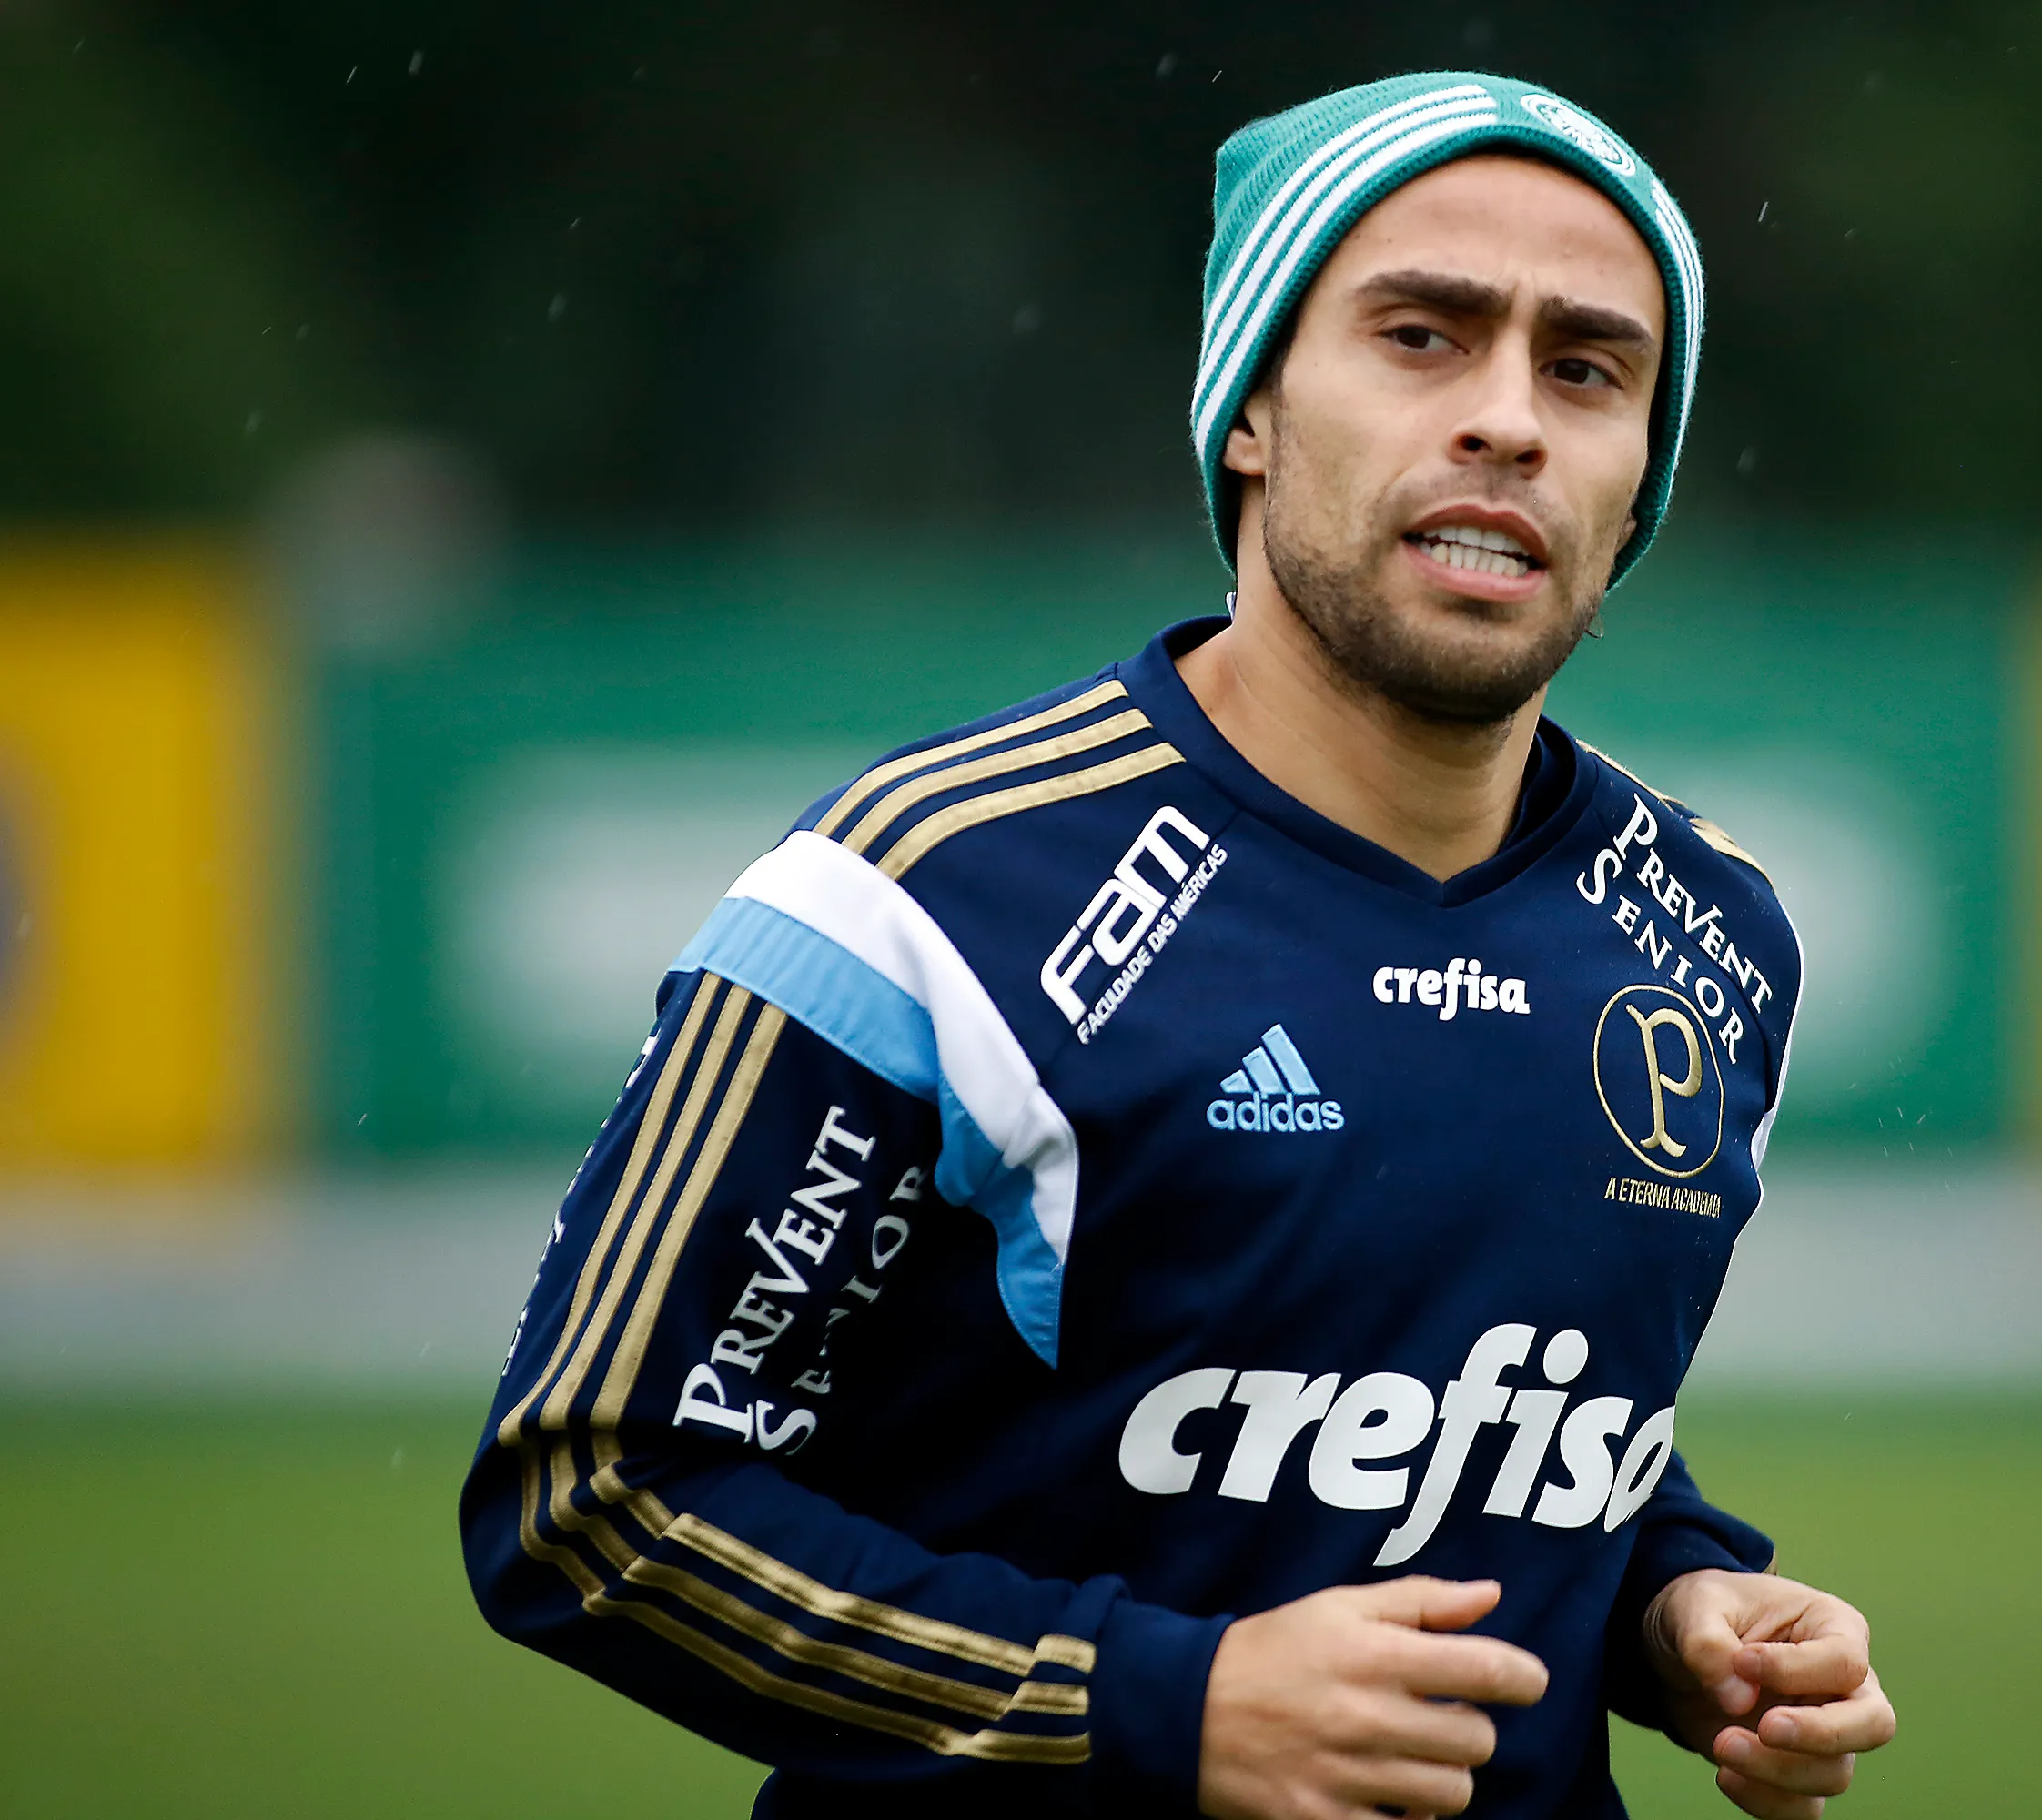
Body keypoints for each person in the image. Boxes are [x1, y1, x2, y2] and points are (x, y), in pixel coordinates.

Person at [460, 69, 1897, 1820]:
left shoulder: (1714, 936)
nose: (1510, 421)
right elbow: (590, 1499)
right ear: (1253, 408)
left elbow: (1464, 1428)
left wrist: (1673, 1604)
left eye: (1587, 369)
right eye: (1423, 338)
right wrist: (1155, 1703)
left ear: (1639, 473)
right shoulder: (921, 894)